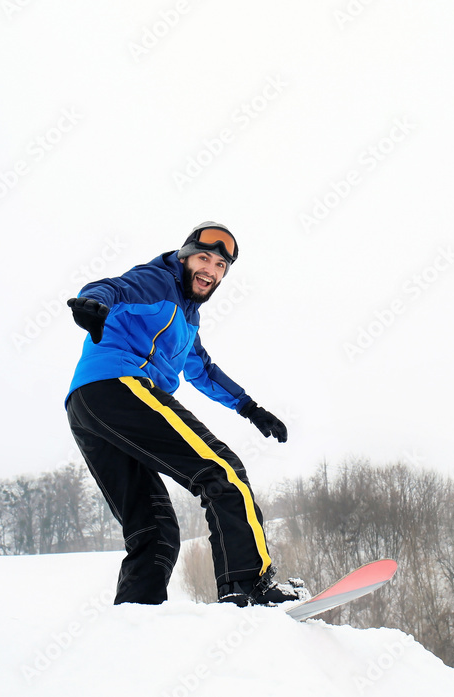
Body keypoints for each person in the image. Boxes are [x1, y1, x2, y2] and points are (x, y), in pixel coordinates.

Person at [64, 221, 305, 607]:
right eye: (204, 258)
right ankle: (250, 587)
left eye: (220, 266)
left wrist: (250, 408)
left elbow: (202, 370)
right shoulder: (158, 281)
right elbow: (115, 287)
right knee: (222, 472)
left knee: (154, 531)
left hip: (89, 408)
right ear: (185, 256)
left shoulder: (187, 318)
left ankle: (131, 625)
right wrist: (91, 303)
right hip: (117, 385)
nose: (210, 270)